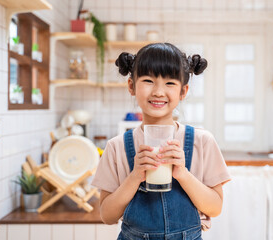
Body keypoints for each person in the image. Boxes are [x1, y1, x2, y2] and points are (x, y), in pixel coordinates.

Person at [92, 43, 231, 240]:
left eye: (170, 83)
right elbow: (107, 215)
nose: (158, 91)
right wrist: (134, 176)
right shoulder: (117, 147)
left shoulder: (202, 142)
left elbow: (215, 208)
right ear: (131, 86)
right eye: (148, 80)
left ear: (183, 91)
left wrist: (183, 174)